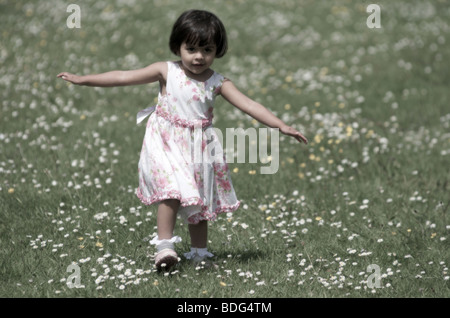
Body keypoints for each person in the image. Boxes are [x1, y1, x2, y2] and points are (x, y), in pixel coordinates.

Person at [57, 9, 308, 270]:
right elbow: (123, 76)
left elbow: (250, 105)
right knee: (172, 193)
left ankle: (200, 254)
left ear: (217, 50)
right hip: (164, 142)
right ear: (178, 47)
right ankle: (164, 247)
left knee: (196, 200)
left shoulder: (218, 82)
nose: (199, 56)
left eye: (207, 49)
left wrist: (281, 126)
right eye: (191, 49)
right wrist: (83, 80)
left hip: (199, 148)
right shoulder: (166, 71)